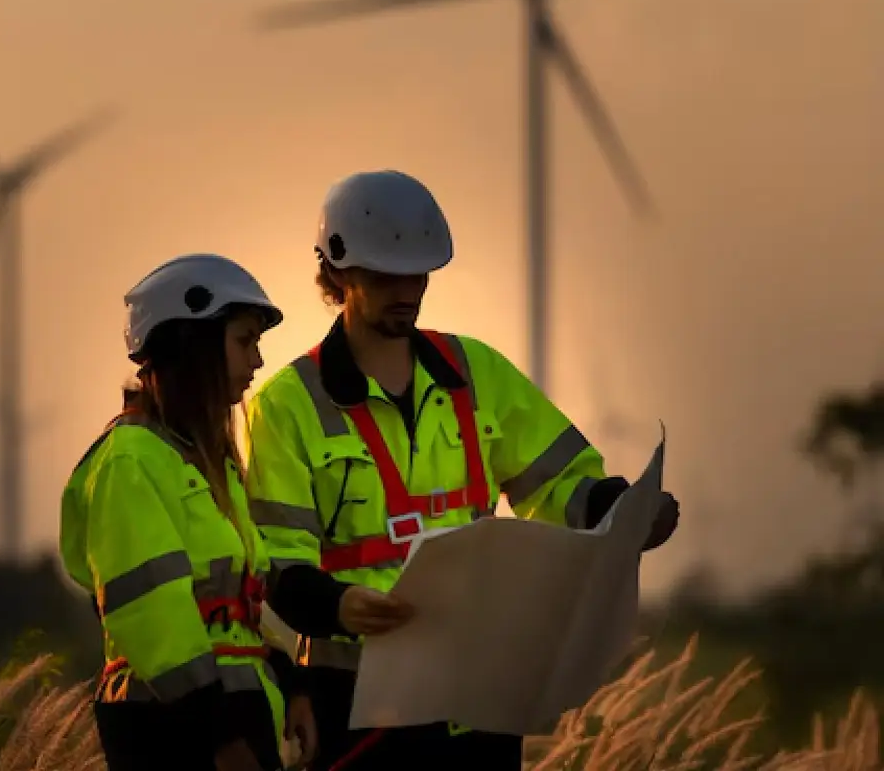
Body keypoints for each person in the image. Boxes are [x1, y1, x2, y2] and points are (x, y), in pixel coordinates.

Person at [243, 170, 680, 770]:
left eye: (418, 273)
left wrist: (627, 512)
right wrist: (339, 604)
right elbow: (277, 561)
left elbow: (559, 483)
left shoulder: (478, 373)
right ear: (339, 274)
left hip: (478, 691)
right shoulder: (287, 404)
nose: (407, 290)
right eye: (386, 275)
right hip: (358, 700)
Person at [59, 253, 319, 771]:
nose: (258, 361)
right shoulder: (131, 463)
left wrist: (292, 685)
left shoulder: (206, 464)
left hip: (231, 718)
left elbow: (238, 612)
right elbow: (154, 619)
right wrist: (219, 737)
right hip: (175, 733)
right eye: (245, 340)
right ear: (194, 344)